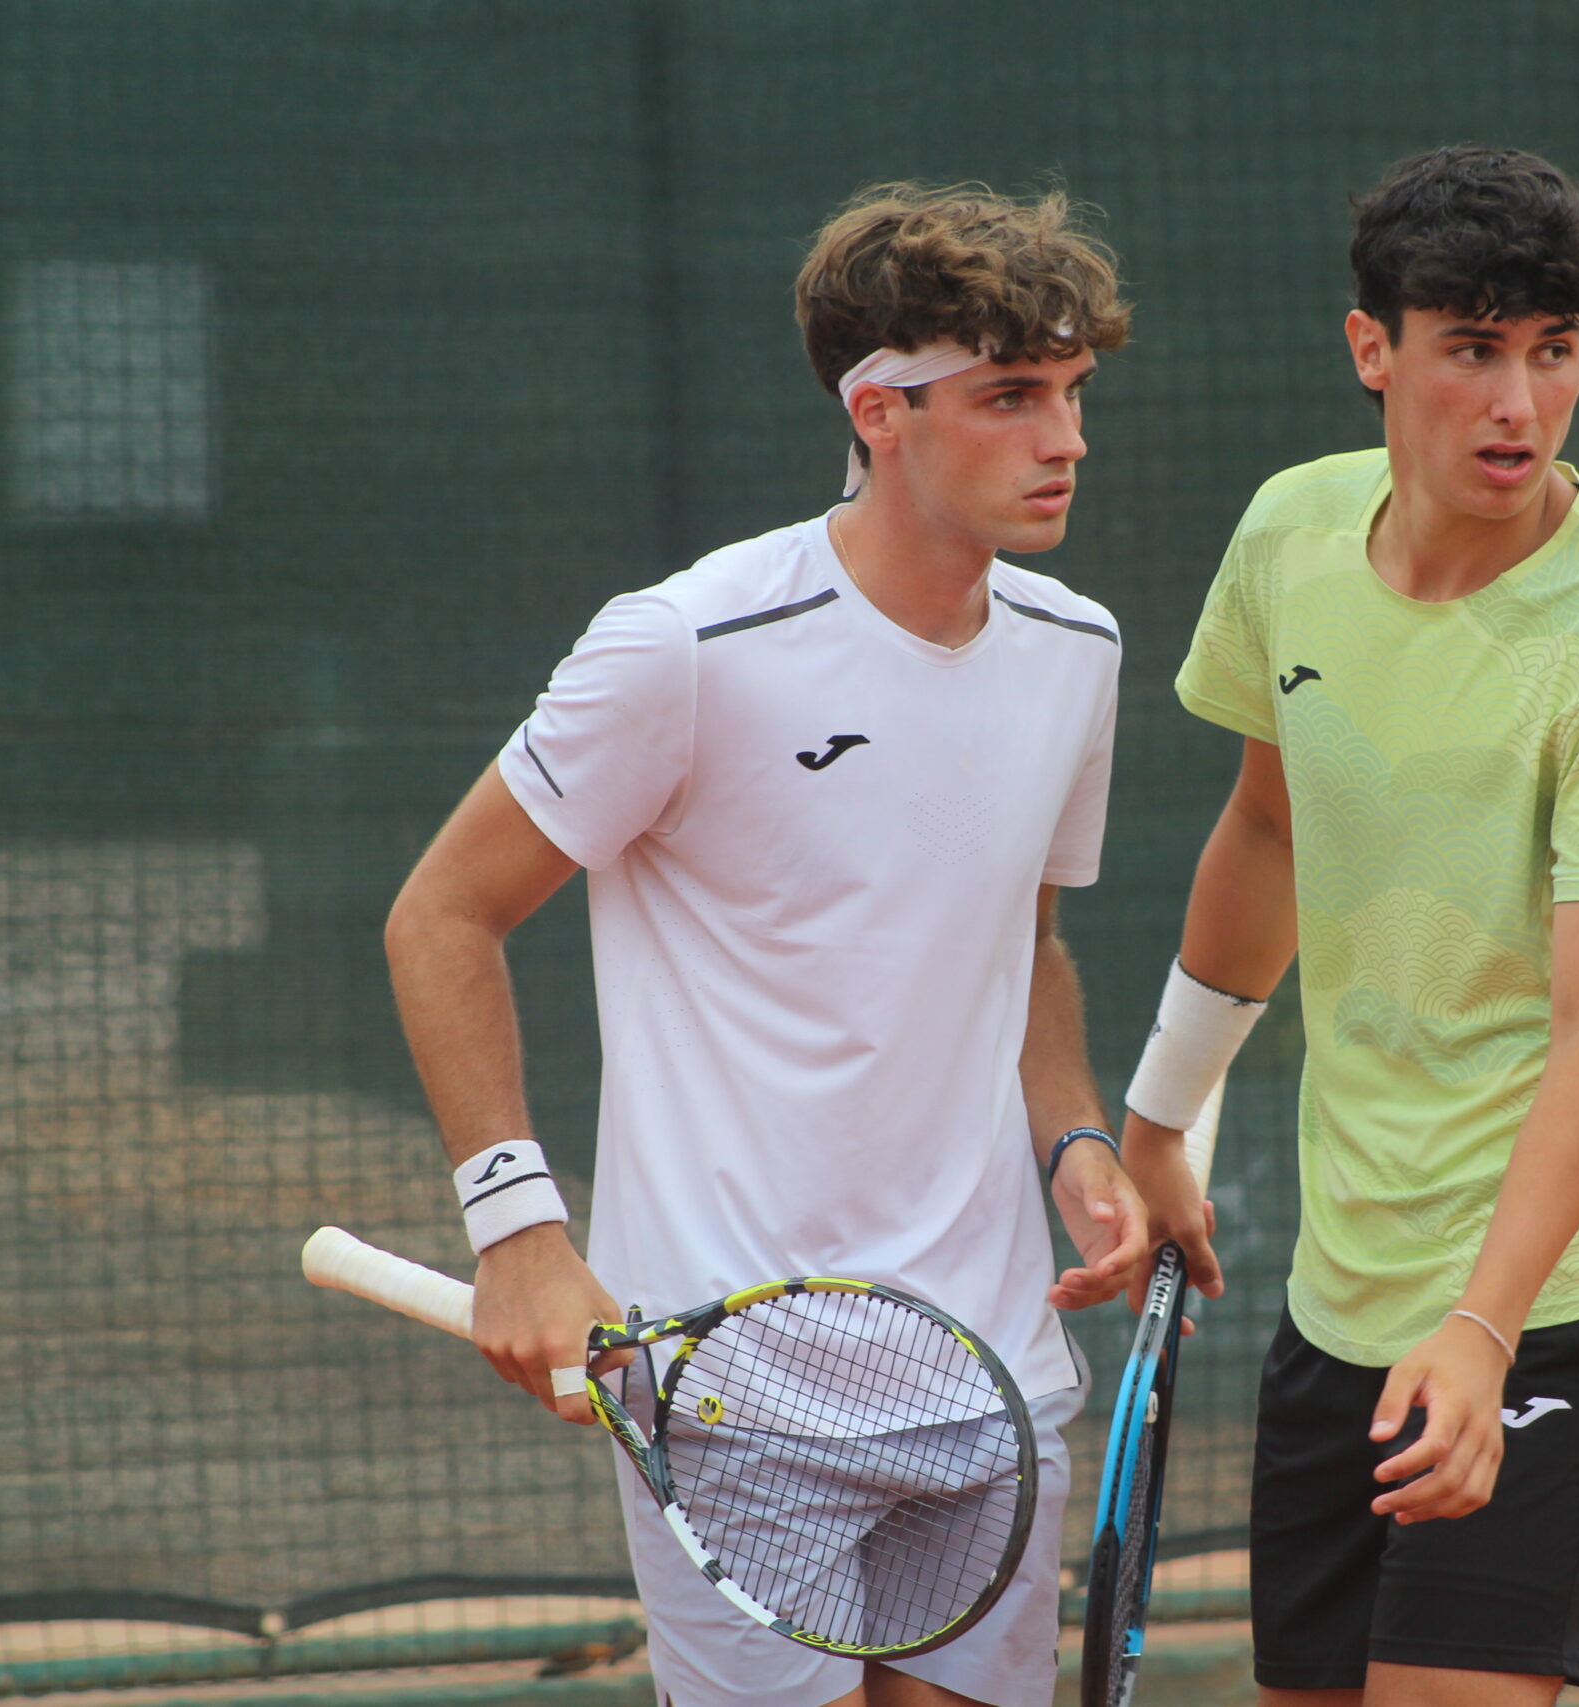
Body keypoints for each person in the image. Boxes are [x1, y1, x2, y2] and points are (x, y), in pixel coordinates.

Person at [382, 181, 1147, 1707]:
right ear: (880, 412)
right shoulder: (681, 645)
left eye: (1072, 391)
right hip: (732, 1392)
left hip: (989, 1376)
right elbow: (441, 916)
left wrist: (1075, 1141)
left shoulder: (1079, 648)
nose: (1065, 437)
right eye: (1011, 396)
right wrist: (520, 1232)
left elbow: (1025, 942)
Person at [1119, 145, 1579, 1704]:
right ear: (1371, 349)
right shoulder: (1291, 538)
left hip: (1564, 1297)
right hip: (1346, 1288)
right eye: (1472, 350)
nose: (1519, 404)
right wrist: (1161, 1118)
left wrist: (1482, 1327)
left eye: (1556, 351)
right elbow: (1269, 833)